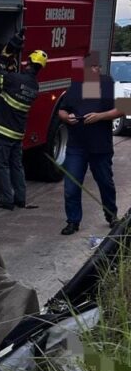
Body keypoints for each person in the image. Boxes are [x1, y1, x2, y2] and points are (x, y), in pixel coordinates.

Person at [58, 52, 124, 235]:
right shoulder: (75, 87)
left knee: (105, 183)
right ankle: (73, 221)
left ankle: (111, 215)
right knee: (71, 186)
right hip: (76, 146)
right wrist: (67, 117)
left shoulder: (107, 83)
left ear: (99, 68)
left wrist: (100, 116)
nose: (92, 70)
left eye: (95, 66)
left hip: (100, 147)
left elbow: (124, 107)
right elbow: (62, 111)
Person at [0, 31, 48, 210]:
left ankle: (7, 200)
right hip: (18, 133)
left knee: (2, 165)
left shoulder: (15, 79)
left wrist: (4, 57)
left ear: (29, 63)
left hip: (4, 130)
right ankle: (20, 198)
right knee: (16, 165)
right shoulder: (34, 86)